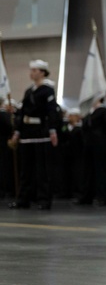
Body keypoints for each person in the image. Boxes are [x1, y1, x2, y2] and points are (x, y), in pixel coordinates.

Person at [10, 60, 60, 209]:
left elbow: (51, 111)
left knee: (42, 169)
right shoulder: (29, 91)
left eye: (35, 70)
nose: (31, 73)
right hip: (27, 132)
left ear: (42, 72)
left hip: (40, 131)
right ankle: (24, 199)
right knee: (26, 169)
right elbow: (23, 112)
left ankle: (44, 199)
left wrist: (52, 131)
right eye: (31, 70)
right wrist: (17, 132)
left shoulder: (47, 90)